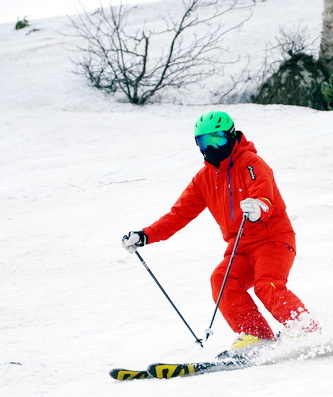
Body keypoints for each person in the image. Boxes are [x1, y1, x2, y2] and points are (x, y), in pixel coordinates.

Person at [122, 111, 319, 356]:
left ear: (230, 136)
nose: (212, 147)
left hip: (273, 239)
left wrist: (259, 207)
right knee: (223, 281)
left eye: (217, 139)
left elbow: (263, 191)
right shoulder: (204, 179)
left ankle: (307, 330)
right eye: (205, 142)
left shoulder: (250, 163)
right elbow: (178, 214)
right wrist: (145, 235)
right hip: (240, 247)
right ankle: (256, 336)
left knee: (267, 285)